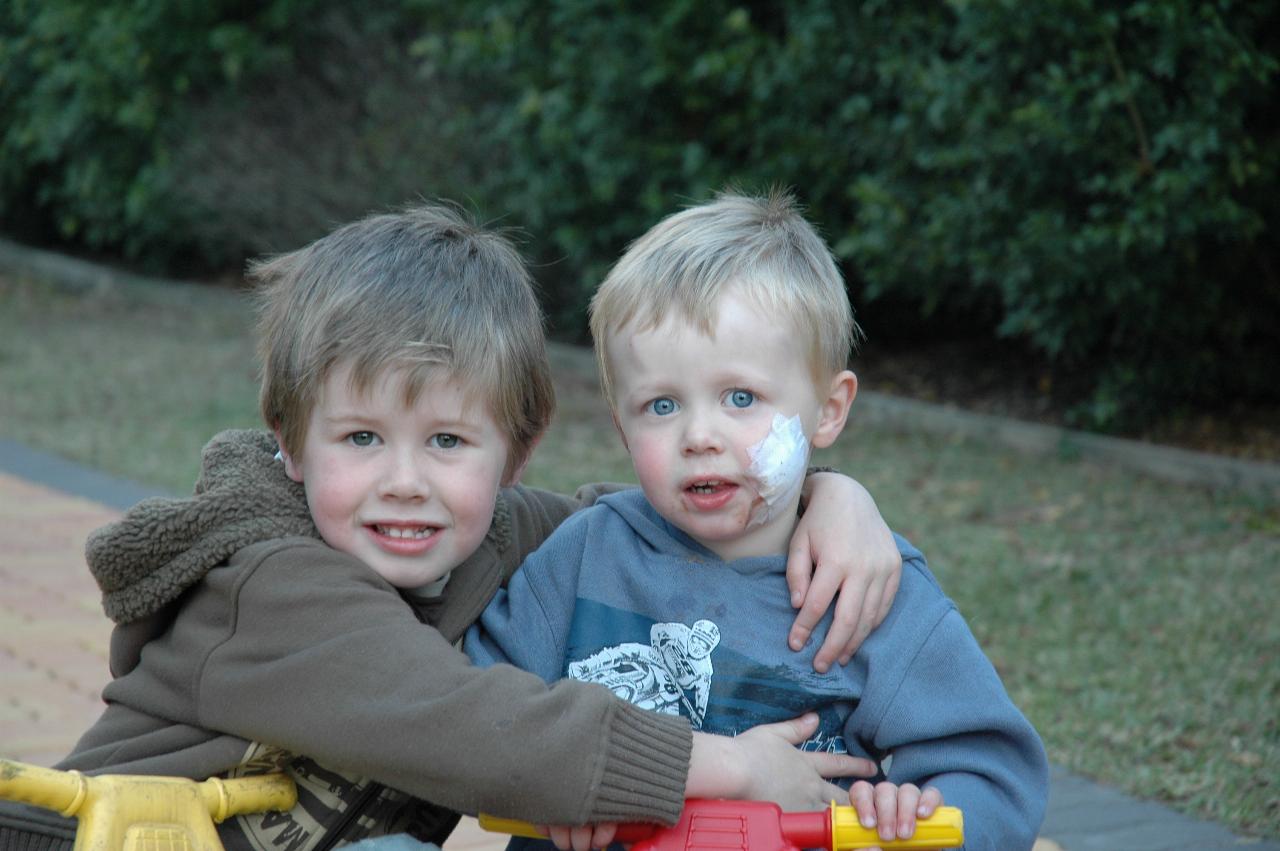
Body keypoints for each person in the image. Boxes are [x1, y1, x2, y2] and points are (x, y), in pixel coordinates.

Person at [0, 203, 906, 851]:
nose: (406, 484)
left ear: (514, 454)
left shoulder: (498, 536)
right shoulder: (269, 579)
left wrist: (825, 495)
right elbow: (468, 725)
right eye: (361, 437)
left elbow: (649, 525)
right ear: (290, 441)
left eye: (446, 440)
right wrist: (727, 769)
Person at [464, 191, 1050, 851]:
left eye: (740, 397)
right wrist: (550, 786)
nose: (699, 434)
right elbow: (479, 724)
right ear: (621, 426)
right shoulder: (579, 560)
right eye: (660, 405)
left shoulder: (871, 591)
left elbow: (993, 777)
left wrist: (911, 808)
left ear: (828, 410)